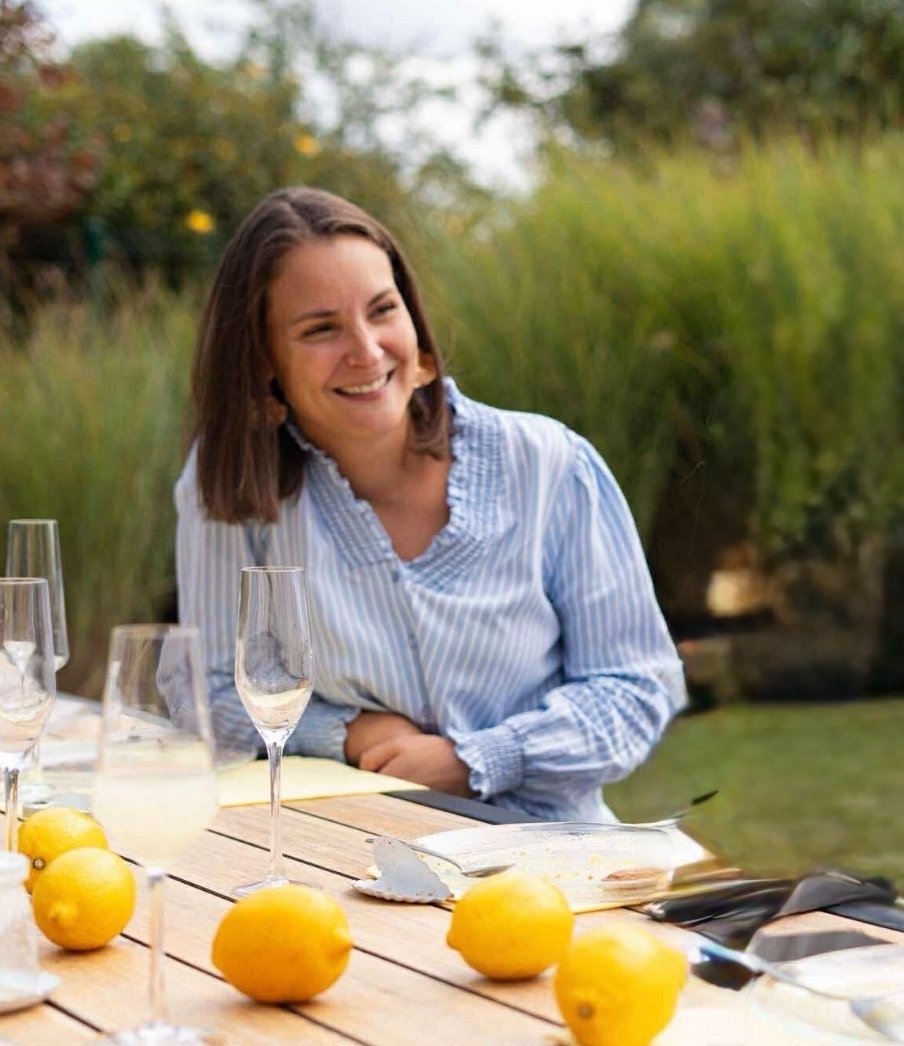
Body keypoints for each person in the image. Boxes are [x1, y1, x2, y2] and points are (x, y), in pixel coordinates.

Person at [175, 186, 686, 822]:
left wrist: (479, 759)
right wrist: (348, 732)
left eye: (382, 310)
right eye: (321, 329)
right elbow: (206, 691)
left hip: (550, 857)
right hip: (341, 851)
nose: (366, 350)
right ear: (262, 360)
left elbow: (637, 689)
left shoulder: (550, 464)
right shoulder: (231, 484)